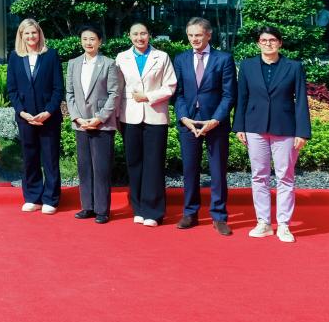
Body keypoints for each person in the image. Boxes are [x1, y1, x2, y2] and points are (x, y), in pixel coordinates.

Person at [235, 27, 311, 243]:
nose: (268, 43)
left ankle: (284, 225)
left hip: (285, 127)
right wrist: (239, 126)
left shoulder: (294, 67)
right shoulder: (247, 66)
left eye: (272, 40)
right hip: (254, 126)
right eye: (264, 40)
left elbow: (301, 101)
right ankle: (264, 222)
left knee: (285, 176)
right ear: (258, 43)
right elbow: (242, 97)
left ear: (280, 43)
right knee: (259, 175)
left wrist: (302, 132)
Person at [171, 17, 236, 236]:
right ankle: (190, 213)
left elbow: (229, 94)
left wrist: (215, 120)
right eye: (190, 35)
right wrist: (183, 118)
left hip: (215, 123)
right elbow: (178, 94)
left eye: (198, 35)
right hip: (189, 122)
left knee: (217, 170)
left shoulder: (224, 59)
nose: (194, 39)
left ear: (209, 35)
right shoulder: (180, 59)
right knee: (190, 170)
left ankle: (219, 216)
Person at [114, 23, 177, 227]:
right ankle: (138, 208)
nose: (139, 37)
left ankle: (154, 211)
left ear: (149, 35)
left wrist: (148, 96)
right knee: (134, 163)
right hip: (129, 116)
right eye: (135, 34)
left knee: (154, 163)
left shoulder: (162, 57)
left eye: (143, 33)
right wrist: (115, 116)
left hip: (155, 115)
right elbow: (117, 88)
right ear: (129, 36)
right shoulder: (122, 57)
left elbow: (170, 86)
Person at [6, 18, 65, 214]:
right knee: (30, 158)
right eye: (27, 33)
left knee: (50, 158)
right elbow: (12, 89)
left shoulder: (51, 55)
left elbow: (58, 88)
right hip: (26, 117)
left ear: (39, 34)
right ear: (21, 36)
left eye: (34, 32)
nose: (31, 36)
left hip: (48, 117)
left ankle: (51, 199)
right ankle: (33, 197)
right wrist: (22, 112)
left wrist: (48, 112)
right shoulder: (15, 57)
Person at [64, 25, 121, 224]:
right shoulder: (73, 63)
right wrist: (77, 117)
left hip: (101, 124)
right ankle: (87, 206)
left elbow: (114, 94)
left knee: (101, 168)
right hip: (81, 124)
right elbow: (69, 93)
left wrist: (100, 118)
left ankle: (102, 210)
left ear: (100, 41)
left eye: (92, 39)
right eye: (85, 39)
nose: (88, 42)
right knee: (85, 167)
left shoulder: (109, 64)